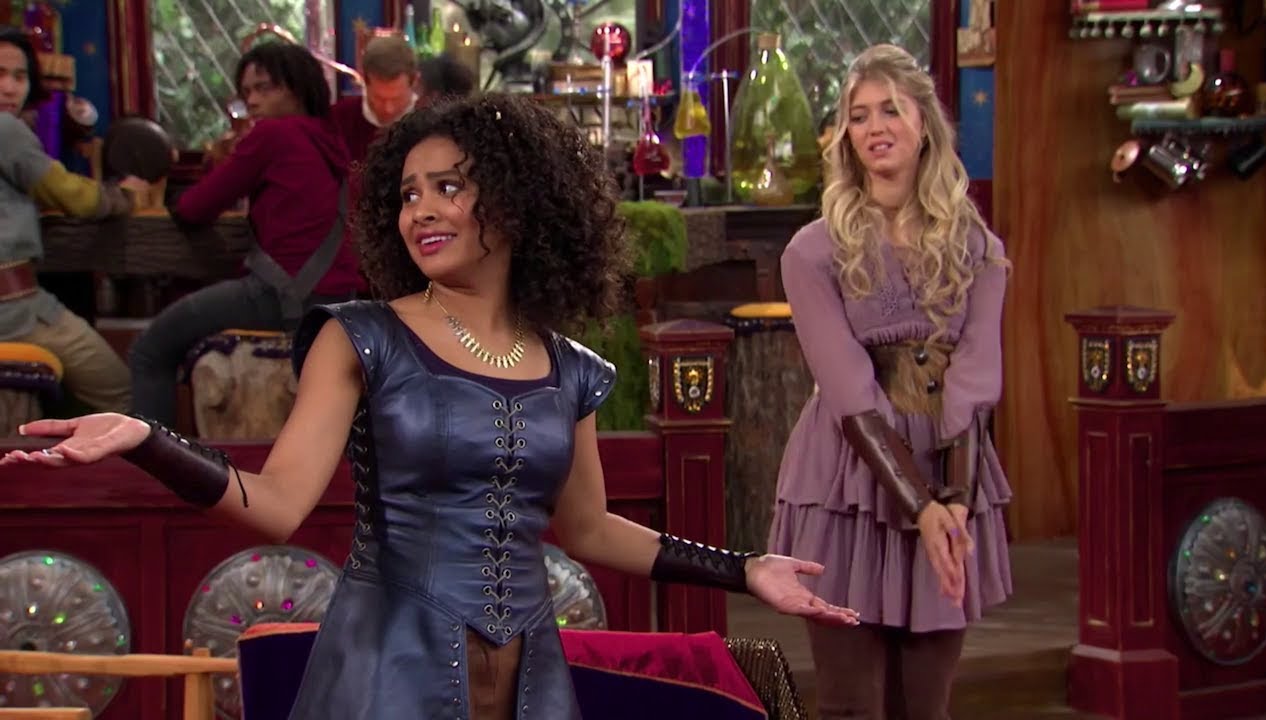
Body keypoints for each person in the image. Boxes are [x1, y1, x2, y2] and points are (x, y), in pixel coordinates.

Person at [3, 92, 859, 720]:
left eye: (448, 187)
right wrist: (147, 438)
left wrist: (744, 569)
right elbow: (277, 504)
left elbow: (591, 530)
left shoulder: (570, 368)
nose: (422, 212)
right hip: (385, 670)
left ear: (515, 204)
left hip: (530, 678)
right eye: (408, 194)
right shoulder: (361, 336)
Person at [767, 44, 1013, 720]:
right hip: (847, 484)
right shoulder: (812, 252)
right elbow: (849, 391)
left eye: (891, 110)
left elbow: (975, 377)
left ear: (924, 123)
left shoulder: (978, 248)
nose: (875, 127)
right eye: (859, 115)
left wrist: (953, 502)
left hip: (949, 467)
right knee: (850, 705)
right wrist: (920, 507)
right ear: (845, 135)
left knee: (926, 706)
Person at [127, 41, 366, 426]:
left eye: (264, 88)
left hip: (281, 297)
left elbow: (194, 209)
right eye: (247, 91)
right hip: (338, 302)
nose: (252, 100)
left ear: (296, 87)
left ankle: (151, 457)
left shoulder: (272, 135)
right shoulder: (331, 140)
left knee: (148, 350)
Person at [0, 27, 146, 413]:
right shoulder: (5, 129)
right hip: (15, 312)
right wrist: (124, 196)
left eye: (20, 76)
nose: (10, 88)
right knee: (122, 392)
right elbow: (70, 195)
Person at [330, 35, 419, 167]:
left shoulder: (434, 124)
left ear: (415, 81)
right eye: (379, 98)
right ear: (364, 80)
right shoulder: (337, 120)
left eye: (397, 99)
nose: (389, 109)